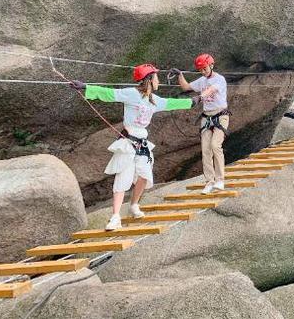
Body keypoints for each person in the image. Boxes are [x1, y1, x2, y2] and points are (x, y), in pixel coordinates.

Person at [70, 64, 209, 230]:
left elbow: (176, 103)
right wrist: (85, 87)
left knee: (145, 175)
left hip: (142, 143)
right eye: (156, 77)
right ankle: (115, 217)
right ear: (149, 79)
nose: (158, 80)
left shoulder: (155, 101)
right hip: (128, 143)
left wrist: (200, 98)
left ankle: (134, 205)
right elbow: (109, 94)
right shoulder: (131, 93)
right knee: (123, 177)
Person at [173, 54, 229, 195]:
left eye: (204, 69)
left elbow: (211, 90)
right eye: (200, 70)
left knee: (215, 145)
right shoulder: (202, 80)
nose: (203, 72)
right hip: (206, 117)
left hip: (220, 116)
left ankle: (220, 180)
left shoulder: (220, 79)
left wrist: (200, 97)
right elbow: (186, 87)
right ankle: (209, 182)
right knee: (205, 150)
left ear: (211, 65)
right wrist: (180, 75)